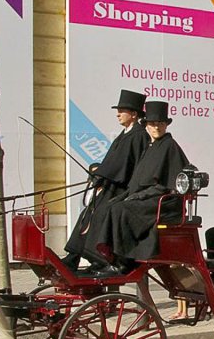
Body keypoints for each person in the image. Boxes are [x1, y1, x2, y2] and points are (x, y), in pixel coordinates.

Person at [84, 101, 191, 276]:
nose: (156, 127)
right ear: (146, 126)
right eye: (153, 123)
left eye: (160, 123)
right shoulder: (150, 147)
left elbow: (163, 186)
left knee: (122, 210)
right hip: (145, 197)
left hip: (163, 202)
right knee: (110, 206)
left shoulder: (169, 146)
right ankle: (106, 257)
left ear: (166, 125)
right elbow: (137, 181)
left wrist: (137, 197)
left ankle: (124, 261)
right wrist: (127, 195)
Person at [62, 89, 149, 271]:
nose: (118, 114)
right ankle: (73, 257)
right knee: (88, 213)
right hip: (111, 184)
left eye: (121, 110)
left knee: (101, 213)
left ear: (133, 114)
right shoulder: (125, 134)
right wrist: (99, 171)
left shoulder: (139, 135)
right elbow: (112, 161)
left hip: (123, 188)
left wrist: (103, 173)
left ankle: (100, 259)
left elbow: (126, 165)